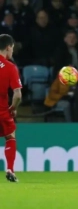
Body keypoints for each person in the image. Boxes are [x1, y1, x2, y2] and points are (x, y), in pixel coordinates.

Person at [0, 34, 22, 182]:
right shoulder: (10, 67)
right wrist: (13, 107)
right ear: (8, 47)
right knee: (10, 137)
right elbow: (18, 94)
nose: (12, 52)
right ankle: (10, 169)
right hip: (2, 111)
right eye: (12, 49)